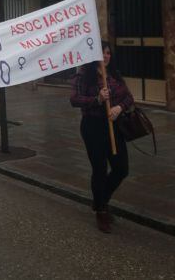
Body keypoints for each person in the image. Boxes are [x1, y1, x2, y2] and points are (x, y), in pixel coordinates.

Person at [70, 42, 133, 233]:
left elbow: (129, 97)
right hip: (93, 127)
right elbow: (74, 99)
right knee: (99, 168)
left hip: (114, 127)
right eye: (102, 53)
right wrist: (97, 99)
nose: (105, 56)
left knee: (121, 168)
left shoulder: (114, 74)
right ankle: (102, 211)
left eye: (108, 53)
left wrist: (118, 108)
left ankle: (100, 200)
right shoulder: (83, 75)